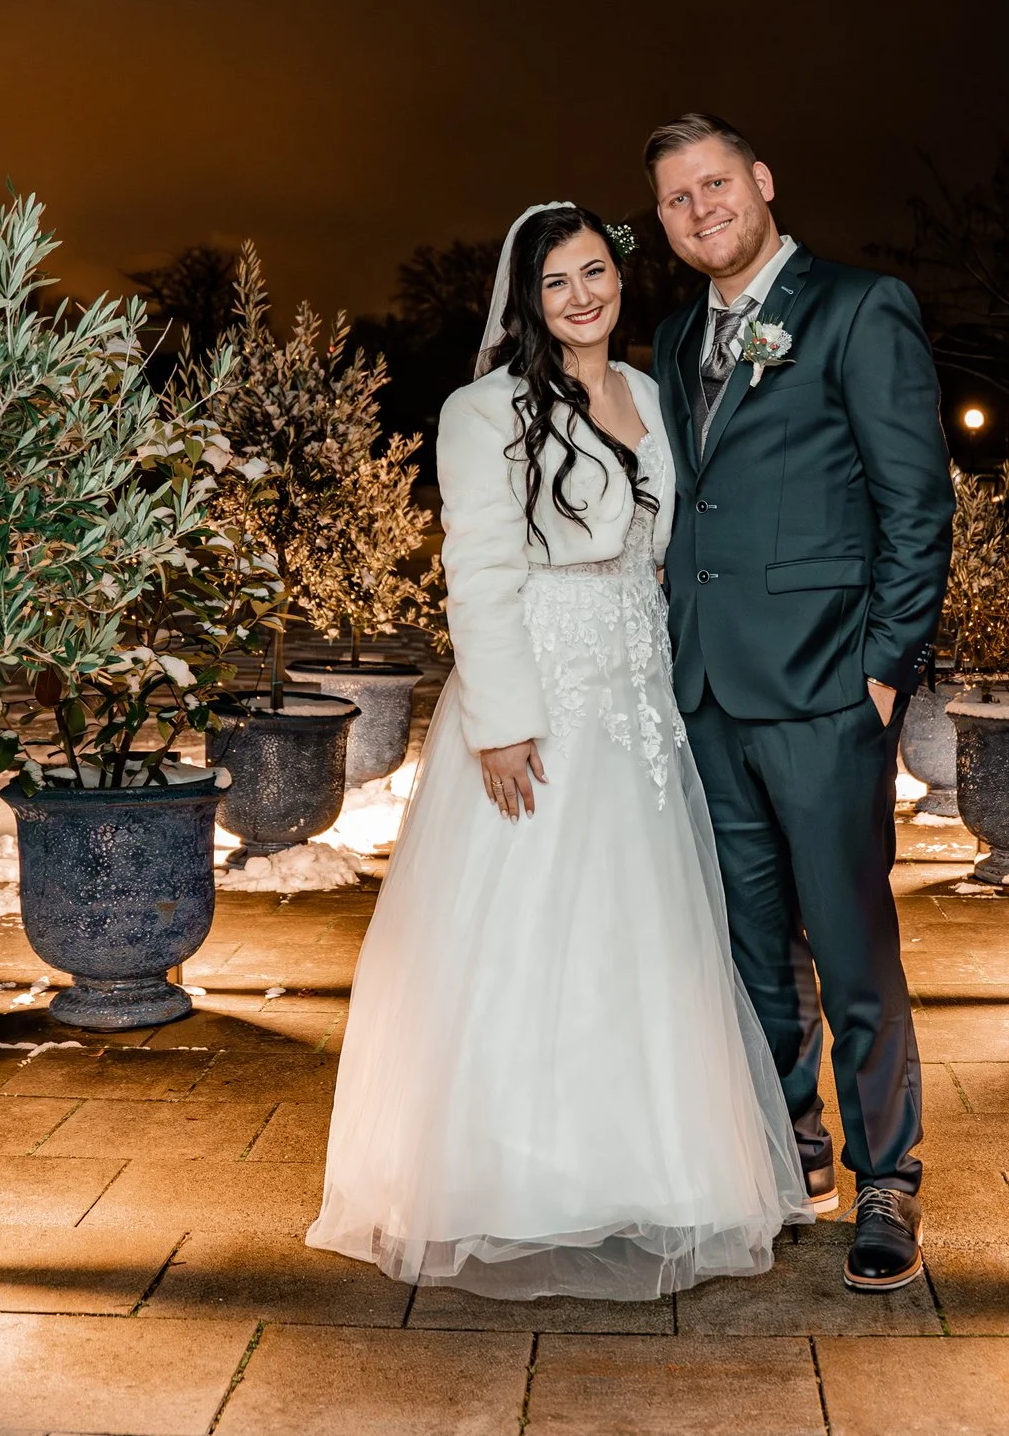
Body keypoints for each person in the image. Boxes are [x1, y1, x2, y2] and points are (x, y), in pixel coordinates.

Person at [308, 201, 808, 1301]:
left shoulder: (651, 397)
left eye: (595, 272)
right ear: (526, 299)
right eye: (556, 282)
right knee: (526, 923)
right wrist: (500, 717)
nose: (582, 295)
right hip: (537, 688)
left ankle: (649, 1166)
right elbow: (476, 568)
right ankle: (508, 1178)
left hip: (637, 694)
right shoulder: (481, 409)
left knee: (641, 928)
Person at [645, 114, 955, 1293]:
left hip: (829, 689)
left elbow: (916, 504)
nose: (700, 208)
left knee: (852, 941)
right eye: (677, 199)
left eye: (715, 183)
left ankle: (888, 1177)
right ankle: (788, 1150)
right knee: (751, 951)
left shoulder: (859, 307)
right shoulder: (675, 337)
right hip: (707, 691)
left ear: (763, 182)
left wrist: (880, 667)